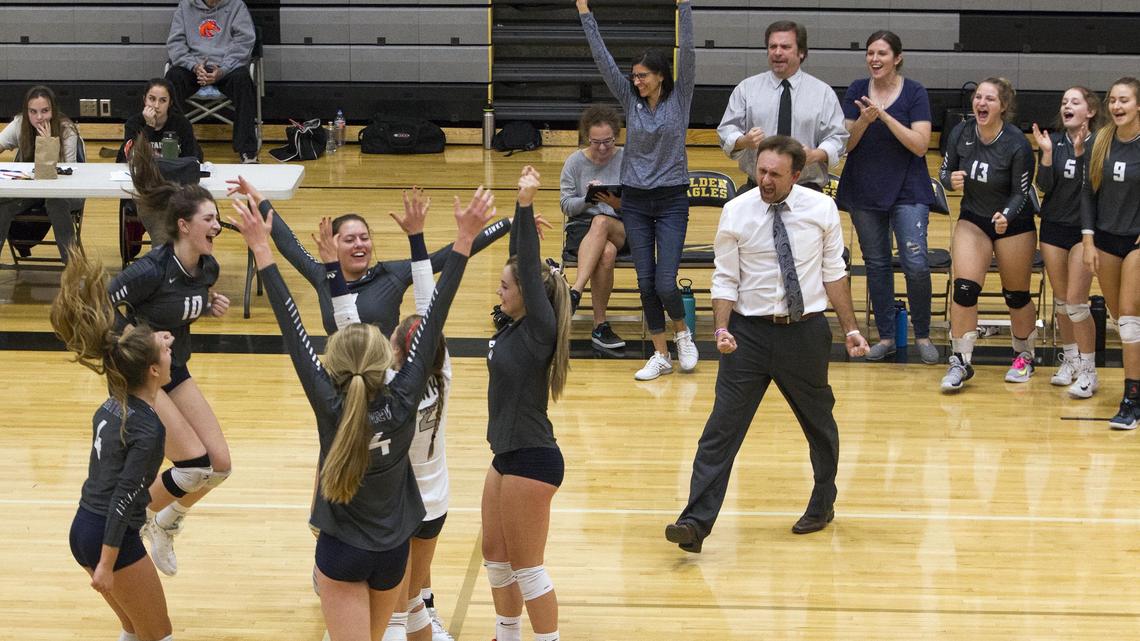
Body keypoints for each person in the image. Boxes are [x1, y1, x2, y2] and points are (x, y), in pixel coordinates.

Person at [227, 178, 490, 641]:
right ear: (388, 358)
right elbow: (435, 317)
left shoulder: (330, 402)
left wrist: (260, 249)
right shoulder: (408, 394)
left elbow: (290, 321)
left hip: (343, 550)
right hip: (392, 554)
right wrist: (465, 238)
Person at [664, 136, 869, 553]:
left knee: (819, 427)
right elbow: (725, 277)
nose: (765, 180)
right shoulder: (736, 211)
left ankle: (822, 502)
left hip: (804, 332)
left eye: (775, 174)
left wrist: (850, 328)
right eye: (761, 171)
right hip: (747, 336)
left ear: (797, 174)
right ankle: (694, 523)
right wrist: (721, 329)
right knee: (720, 431)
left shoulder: (821, 209)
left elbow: (834, 272)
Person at [52, 243, 187, 641]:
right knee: (159, 634)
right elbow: (125, 496)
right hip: (109, 536)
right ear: (152, 370)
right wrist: (108, 562)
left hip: (82, 528)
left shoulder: (111, 406)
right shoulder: (148, 429)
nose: (169, 346)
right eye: (164, 349)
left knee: (133, 627)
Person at [114, 141, 234, 576]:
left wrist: (208, 305)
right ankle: (128, 517)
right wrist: (131, 337)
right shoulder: (150, 269)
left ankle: (166, 522)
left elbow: (178, 308)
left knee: (219, 465)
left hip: (174, 368)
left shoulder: (207, 270)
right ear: (184, 226)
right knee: (193, 463)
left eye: (217, 218)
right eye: (210, 219)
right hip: (143, 374)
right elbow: (105, 299)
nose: (217, 225)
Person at [577, 0, 700, 380]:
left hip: (672, 200)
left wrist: (684, 8)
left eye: (644, 75)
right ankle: (661, 355)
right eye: (635, 76)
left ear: (661, 76)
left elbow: (689, 50)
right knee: (646, 281)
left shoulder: (680, 99)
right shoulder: (630, 101)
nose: (637, 80)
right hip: (636, 202)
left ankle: (683, 333)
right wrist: (585, 13)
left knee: (665, 281)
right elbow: (604, 63)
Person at [225, 179, 517, 337]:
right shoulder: (321, 275)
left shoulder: (392, 274)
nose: (359, 244)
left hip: (387, 379)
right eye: (349, 239)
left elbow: (448, 256)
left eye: (364, 238)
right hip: (342, 380)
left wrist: (508, 223)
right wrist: (259, 198)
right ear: (333, 245)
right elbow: (287, 243)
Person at [481, 167, 571, 641]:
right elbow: (522, 260)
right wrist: (521, 230)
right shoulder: (514, 327)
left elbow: (529, 268)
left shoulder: (539, 328)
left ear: (528, 296)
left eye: (505, 286)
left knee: (528, 566)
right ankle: (507, 634)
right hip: (505, 456)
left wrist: (526, 200)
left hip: (533, 459)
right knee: (495, 558)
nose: (499, 290)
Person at [837, 31, 938, 365]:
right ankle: (886, 337)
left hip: (908, 188)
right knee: (877, 264)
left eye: (882, 53)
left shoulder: (914, 92)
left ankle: (922, 333)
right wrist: (865, 122)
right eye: (870, 53)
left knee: (915, 263)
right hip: (865, 188)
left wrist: (885, 116)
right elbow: (845, 146)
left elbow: (921, 144)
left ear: (897, 58)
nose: (874, 59)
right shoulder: (855, 90)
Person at [938, 78, 1037, 392]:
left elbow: (1022, 193)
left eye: (990, 99)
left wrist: (1006, 215)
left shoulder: (1017, 144)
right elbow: (943, 171)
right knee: (964, 289)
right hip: (975, 220)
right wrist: (949, 179)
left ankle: (1024, 357)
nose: (981, 103)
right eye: (978, 97)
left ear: (1003, 106)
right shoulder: (961, 133)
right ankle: (961, 361)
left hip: (1013, 224)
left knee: (1016, 295)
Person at [1033, 86, 1107, 398]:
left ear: (1089, 111)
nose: (1067, 105)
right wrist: (1047, 155)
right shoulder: (1055, 142)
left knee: (1077, 303)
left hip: (1084, 231)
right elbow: (1044, 186)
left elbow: (1094, 188)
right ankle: (1072, 360)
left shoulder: (1101, 144)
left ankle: (1090, 371)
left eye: (1075, 102)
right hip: (1053, 228)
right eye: (1064, 102)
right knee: (1062, 302)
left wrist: (1080, 154)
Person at [717, 20, 848, 191]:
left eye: (785, 47)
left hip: (806, 190)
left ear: (801, 52)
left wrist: (814, 155)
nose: (777, 53)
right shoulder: (747, 89)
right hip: (758, 188)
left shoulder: (823, 93)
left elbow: (837, 138)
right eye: (772, 47)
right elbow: (726, 132)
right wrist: (744, 141)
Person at [1081, 77, 1140, 429]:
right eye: (1113, 101)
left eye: (1124, 101)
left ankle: (1130, 400)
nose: (1116, 107)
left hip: (1136, 242)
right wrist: (1088, 240)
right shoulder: (1101, 141)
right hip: (1105, 239)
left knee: (1131, 322)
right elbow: (1088, 193)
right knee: (1122, 322)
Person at [559, 104, 627, 350]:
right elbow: (566, 205)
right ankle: (600, 326)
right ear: (587, 137)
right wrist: (586, 199)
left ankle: (574, 291)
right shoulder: (575, 162)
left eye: (607, 142)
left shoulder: (626, 158)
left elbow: (640, 203)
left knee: (601, 221)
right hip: (582, 228)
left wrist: (617, 203)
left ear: (616, 137)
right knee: (606, 253)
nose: (601, 148)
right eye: (595, 142)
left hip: (619, 225)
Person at [165, 0, 258, 163]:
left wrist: (222, 70)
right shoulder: (185, 6)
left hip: (225, 67)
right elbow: (176, 43)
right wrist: (194, 66)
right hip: (194, 67)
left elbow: (244, 43)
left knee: (244, 80)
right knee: (172, 80)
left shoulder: (237, 6)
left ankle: (247, 150)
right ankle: (172, 142)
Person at [0, 85, 82, 263]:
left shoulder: (66, 129)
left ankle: (72, 267)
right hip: (31, 190)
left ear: (53, 110)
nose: (39, 117)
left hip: (64, 192)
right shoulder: (20, 124)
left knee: (55, 203)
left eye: (45, 111)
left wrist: (48, 145)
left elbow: (72, 173)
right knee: (3, 205)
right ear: (26, 111)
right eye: (33, 111)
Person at [120, 78, 202, 162]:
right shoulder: (133, 123)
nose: (156, 105)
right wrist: (149, 126)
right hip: (143, 172)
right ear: (145, 100)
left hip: (173, 172)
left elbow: (192, 159)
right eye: (152, 99)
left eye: (163, 100)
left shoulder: (182, 124)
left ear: (170, 103)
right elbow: (129, 157)